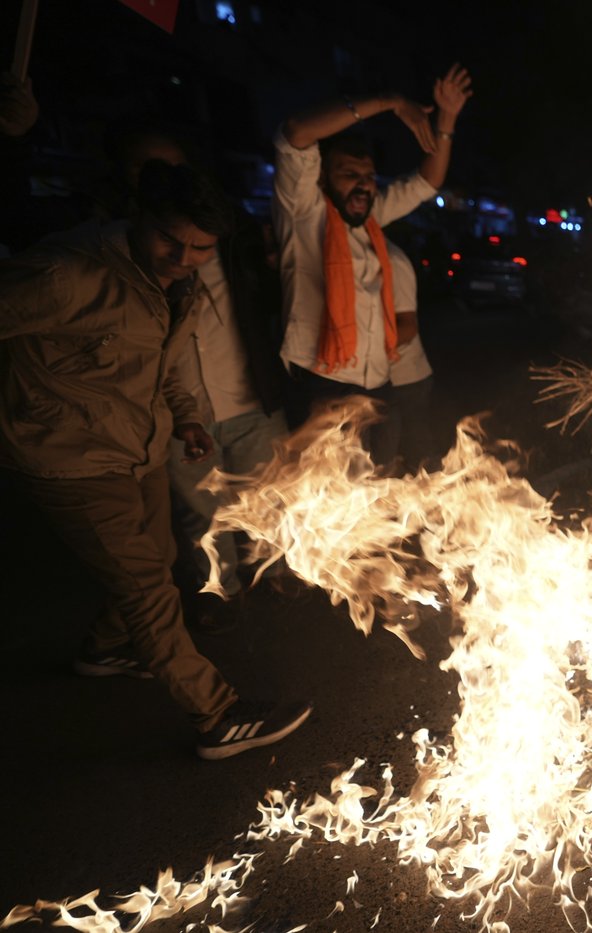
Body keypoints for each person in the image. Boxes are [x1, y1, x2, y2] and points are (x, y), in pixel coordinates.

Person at [0, 161, 310, 760]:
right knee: (148, 588)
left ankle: (104, 651)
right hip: (73, 460)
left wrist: (186, 416)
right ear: (138, 218)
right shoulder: (66, 274)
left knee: (163, 559)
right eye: (172, 239)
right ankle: (216, 716)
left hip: (137, 452)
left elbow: (160, 366)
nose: (184, 257)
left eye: (200, 248)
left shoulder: (178, 283)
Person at [103, 125, 289, 630]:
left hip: (249, 400)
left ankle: (271, 573)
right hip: (178, 412)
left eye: (170, 167)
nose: (186, 254)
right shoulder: (123, 247)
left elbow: (273, 298)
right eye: (146, 168)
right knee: (200, 517)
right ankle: (219, 595)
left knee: (266, 498)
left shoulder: (227, 239)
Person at [273, 64, 471, 465]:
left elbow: (426, 183)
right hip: (323, 388)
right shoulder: (304, 216)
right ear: (323, 180)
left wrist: (447, 117)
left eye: (368, 176)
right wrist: (391, 102)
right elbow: (295, 133)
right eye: (349, 174)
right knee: (327, 506)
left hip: (379, 385)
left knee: (376, 496)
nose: (363, 183)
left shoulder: (371, 221)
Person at [382, 245, 436, 473]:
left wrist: (367, 353)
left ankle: (437, 501)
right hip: (378, 380)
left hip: (404, 379)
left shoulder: (392, 259)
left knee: (417, 456)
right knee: (387, 456)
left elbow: (408, 327)